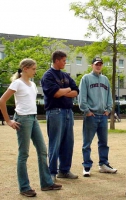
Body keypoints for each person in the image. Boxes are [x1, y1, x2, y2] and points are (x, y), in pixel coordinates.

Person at [0, 58, 62, 197]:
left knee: (42, 150)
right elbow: (2, 101)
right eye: (33, 69)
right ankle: (24, 187)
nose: (35, 71)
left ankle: (46, 183)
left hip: (33, 118)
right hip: (23, 119)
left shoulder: (32, 84)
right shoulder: (17, 83)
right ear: (25, 69)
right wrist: (8, 121)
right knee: (24, 154)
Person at [41, 50, 79, 182]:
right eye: (63, 60)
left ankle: (64, 170)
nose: (65, 62)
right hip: (55, 112)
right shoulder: (48, 76)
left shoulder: (66, 75)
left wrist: (65, 91)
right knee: (55, 142)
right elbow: (55, 93)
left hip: (68, 112)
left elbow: (76, 91)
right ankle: (52, 172)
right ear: (57, 60)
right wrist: (67, 90)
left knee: (68, 143)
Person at [78, 57, 117, 177]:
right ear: (92, 65)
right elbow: (82, 97)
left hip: (103, 116)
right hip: (91, 116)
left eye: (100, 64)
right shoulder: (86, 78)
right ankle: (87, 166)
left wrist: (108, 110)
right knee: (87, 143)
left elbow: (109, 96)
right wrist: (87, 111)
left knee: (104, 142)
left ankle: (103, 164)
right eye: (96, 64)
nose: (98, 66)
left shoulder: (105, 80)